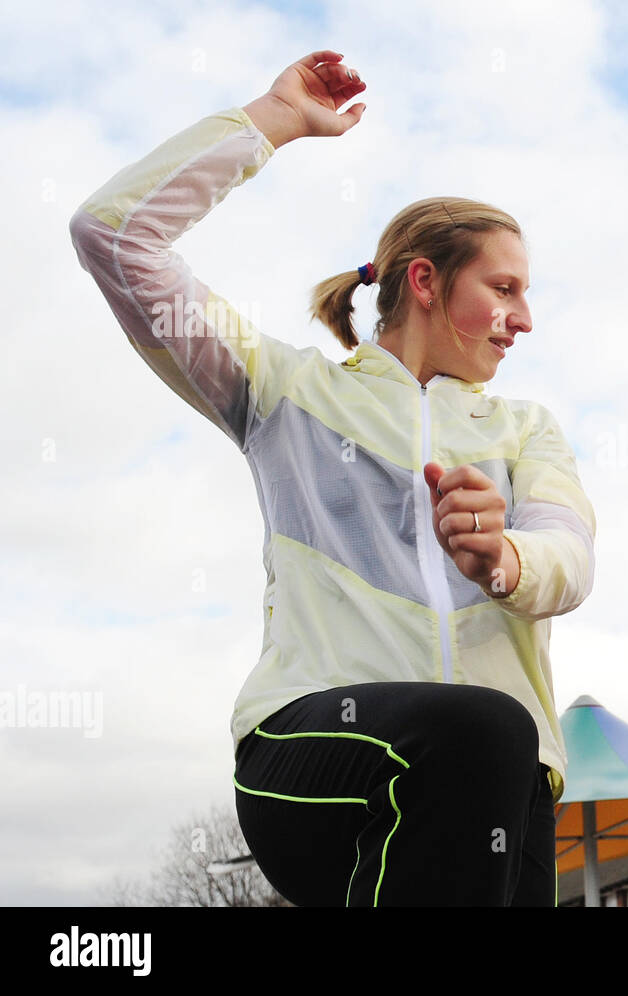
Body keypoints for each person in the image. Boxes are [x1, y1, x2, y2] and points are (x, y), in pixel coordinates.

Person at [69, 51, 596, 906]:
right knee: (477, 730)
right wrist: (273, 120)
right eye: (504, 288)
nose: (524, 319)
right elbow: (115, 235)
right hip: (313, 754)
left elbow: (570, 558)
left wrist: (504, 557)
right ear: (424, 281)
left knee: (492, 737)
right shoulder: (285, 391)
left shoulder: (525, 428)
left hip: (503, 786)